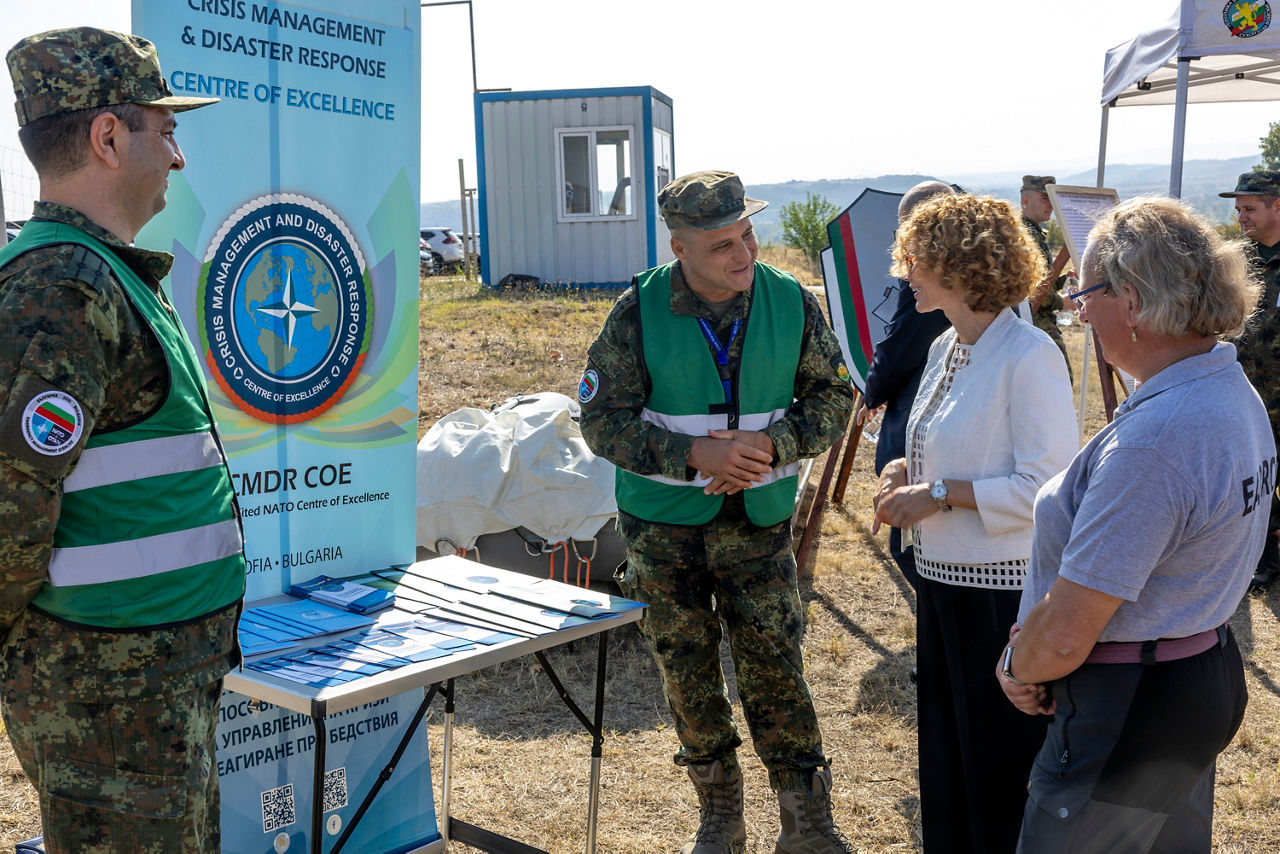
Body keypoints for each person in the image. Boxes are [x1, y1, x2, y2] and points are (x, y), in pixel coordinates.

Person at [0, 28, 244, 853]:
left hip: (145, 693)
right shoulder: (62, 287)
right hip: (108, 705)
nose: (176, 155)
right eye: (164, 128)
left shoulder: (100, 275)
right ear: (109, 137)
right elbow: (8, 511)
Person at [578, 170, 856, 853]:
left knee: (776, 666)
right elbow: (599, 421)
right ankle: (721, 817)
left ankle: (807, 824)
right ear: (679, 248)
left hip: (757, 523)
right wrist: (692, 456)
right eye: (722, 245)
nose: (744, 255)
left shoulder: (791, 302)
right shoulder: (636, 312)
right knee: (687, 669)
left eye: (748, 235)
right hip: (663, 530)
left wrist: (771, 445)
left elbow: (833, 397)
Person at [998, 196, 1271, 853]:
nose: (1078, 308)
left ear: (1131, 301)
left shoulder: (1159, 436)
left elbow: (1066, 637)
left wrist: (1017, 663)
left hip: (1129, 703)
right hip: (1192, 672)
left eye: (1083, 291)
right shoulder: (1224, 385)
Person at [872, 193, 1076, 854]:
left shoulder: (1029, 354)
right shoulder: (945, 347)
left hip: (1000, 595)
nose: (905, 273)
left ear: (957, 270)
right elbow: (946, 443)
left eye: (915, 261)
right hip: (941, 583)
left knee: (997, 771)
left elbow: (1047, 486)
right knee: (950, 762)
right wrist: (905, 469)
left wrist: (938, 492)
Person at [854, 180, 955, 589]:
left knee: (910, 544)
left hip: (923, 403)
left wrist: (872, 391)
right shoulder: (974, 260)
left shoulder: (929, 267)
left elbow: (901, 342)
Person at [1220, 171, 1280, 591]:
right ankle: (1265, 558)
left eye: (1250, 208)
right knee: (1256, 477)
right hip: (1248, 391)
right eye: (1238, 208)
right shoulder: (1235, 261)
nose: (1241, 216)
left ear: (1278, 206)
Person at [1020, 175, 1073, 378]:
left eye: (1052, 198)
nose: (1051, 205)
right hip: (1036, 321)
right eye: (1044, 198)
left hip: (1035, 321)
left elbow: (1042, 281)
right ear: (1026, 200)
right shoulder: (1027, 235)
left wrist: (1062, 280)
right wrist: (1063, 303)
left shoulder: (1031, 231)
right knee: (1061, 378)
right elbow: (1031, 289)